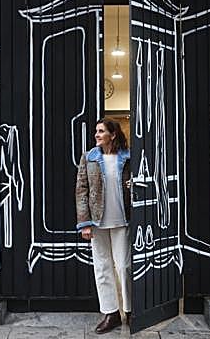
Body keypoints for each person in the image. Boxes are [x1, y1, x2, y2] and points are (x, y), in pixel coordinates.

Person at [75, 118, 131, 334]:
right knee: (102, 268)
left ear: (113, 134)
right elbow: (81, 190)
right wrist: (84, 223)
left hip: (122, 220)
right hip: (97, 222)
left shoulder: (128, 157)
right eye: (96, 131)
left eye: (101, 131)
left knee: (124, 266)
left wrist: (133, 185)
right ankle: (111, 313)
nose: (96, 135)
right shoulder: (89, 158)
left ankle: (130, 310)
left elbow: (138, 182)